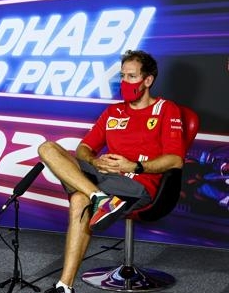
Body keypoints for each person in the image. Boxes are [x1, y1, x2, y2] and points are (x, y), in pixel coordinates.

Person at [38, 50, 185, 293]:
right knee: (48, 148)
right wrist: (95, 162)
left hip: (137, 182)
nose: (125, 82)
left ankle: (64, 285)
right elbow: (84, 148)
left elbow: (175, 160)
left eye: (131, 76)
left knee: (78, 199)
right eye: (122, 76)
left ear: (147, 80)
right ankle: (100, 198)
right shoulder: (113, 112)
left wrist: (133, 166)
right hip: (104, 177)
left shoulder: (166, 109)